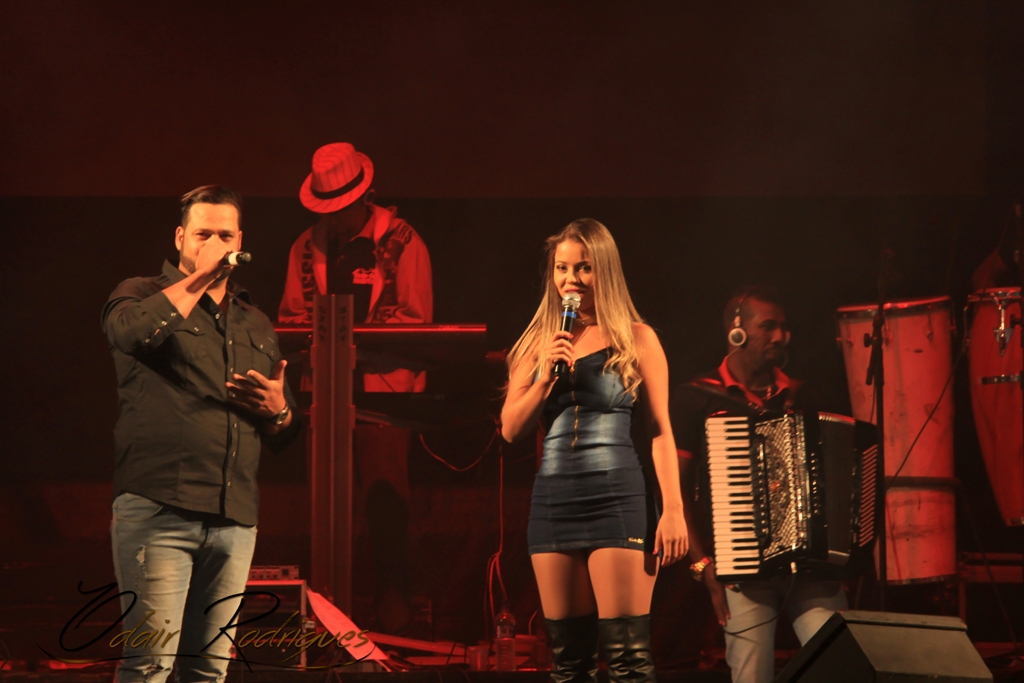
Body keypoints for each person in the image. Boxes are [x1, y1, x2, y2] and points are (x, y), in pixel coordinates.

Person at [102, 185, 301, 683]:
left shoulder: (254, 321)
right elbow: (127, 334)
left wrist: (279, 411)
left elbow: (282, 428)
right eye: (203, 234)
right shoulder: (139, 293)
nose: (214, 244)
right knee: (150, 665)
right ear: (180, 238)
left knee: (209, 670)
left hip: (234, 519)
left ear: (240, 241)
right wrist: (201, 278)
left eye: (225, 236)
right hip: (160, 510)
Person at [500, 219, 688, 683]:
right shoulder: (538, 344)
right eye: (562, 268)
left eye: (584, 268)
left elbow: (661, 431)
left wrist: (673, 509)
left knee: (627, 660)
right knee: (569, 664)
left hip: (617, 497)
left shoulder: (637, 338)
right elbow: (510, 429)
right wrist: (544, 378)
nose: (572, 280)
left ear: (604, 270)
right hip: (554, 500)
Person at [669, 287, 847, 683]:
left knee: (839, 665)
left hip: (810, 569)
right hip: (742, 571)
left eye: (783, 328)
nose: (780, 337)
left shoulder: (802, 396)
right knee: (751, 677)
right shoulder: (696, 398)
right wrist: (702, 565)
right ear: (737, 330)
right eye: (768, 327)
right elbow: (676, 492)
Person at [278, 141, 433, 392]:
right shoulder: (305, 245)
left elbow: (416, 321)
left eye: (340, 209)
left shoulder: (403, 242)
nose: (332, 218)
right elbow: (291, 318)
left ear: (366, 198)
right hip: (323, 386)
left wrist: (356, 342)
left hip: (387, 388)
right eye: (325, 211)